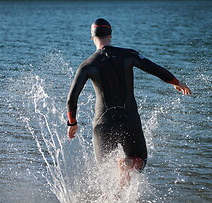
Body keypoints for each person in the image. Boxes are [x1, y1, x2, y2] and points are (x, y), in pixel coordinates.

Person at [66, 18, 191, 186]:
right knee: (139, 161)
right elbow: (154, 68)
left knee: (105, 173)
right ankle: (128, 164)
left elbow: (71, 99)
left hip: (103, 124)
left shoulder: (87, 65)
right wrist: (176, 82)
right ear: (110, 35)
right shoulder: (128, 55)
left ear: (92, 38)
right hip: (129, 120)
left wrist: (72, 123)